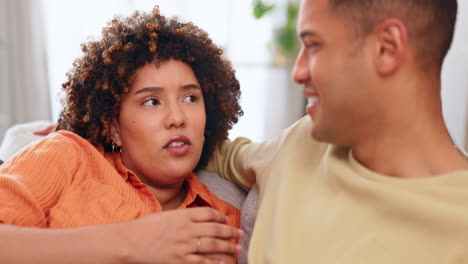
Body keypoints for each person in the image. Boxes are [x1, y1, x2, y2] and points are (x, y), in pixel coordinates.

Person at [206, 0, 468, 263]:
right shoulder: (302, 140)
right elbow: (203, 149)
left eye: (313, 45)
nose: (298, 72)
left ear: (386, 48)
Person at [0, 7, 244, 264]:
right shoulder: (66, 156)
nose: (177, 118)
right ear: (113, 126)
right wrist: (128, 243)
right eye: (151, 102)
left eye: (190, 98)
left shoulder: (223, 220)